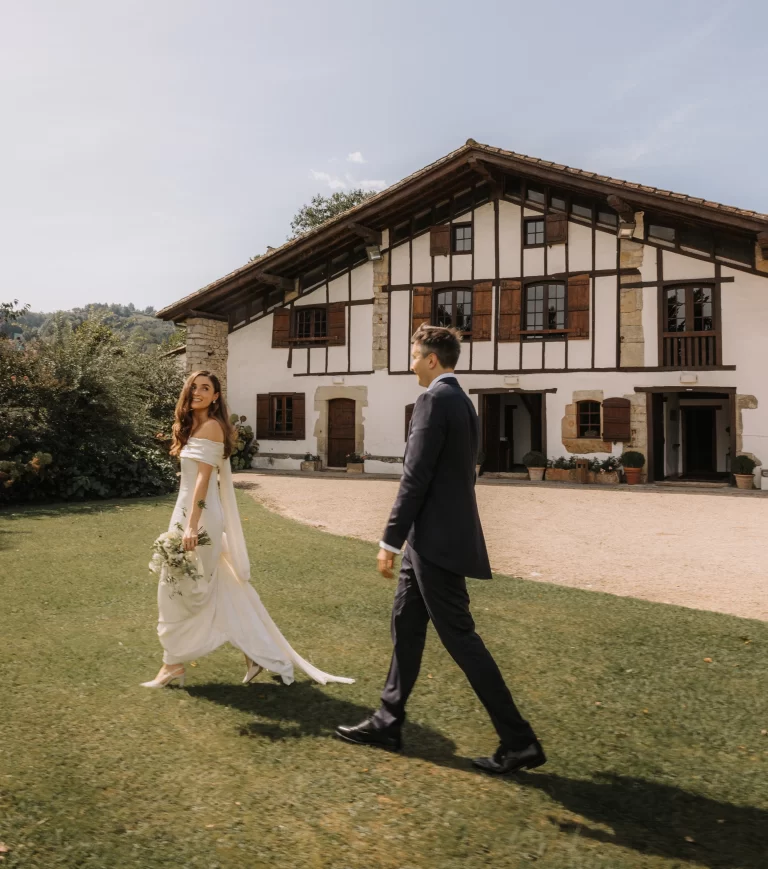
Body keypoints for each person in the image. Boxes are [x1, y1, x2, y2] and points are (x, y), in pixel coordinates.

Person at [335, 326, 544, 774]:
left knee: (461, 639)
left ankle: (519, 741)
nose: (410, 362)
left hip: (435, 544)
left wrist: (389, 539)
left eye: (413, 355)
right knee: (405, 626)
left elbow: (416, 477)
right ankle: (387, 722)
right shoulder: (464, 403)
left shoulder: (433, 400)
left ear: (432, 359)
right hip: (431, 541)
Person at [141, 370, 353, 689]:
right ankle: (261, 656)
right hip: (185, 515)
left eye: (206, 388)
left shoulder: (211, 427)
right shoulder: (191, 426)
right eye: (193, 387)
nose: (197, 392)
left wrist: (192, 527)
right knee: (216, 588)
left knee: (180, 590)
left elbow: (202, 480)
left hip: (199, 518)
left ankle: (173, 665)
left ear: (216, 397)